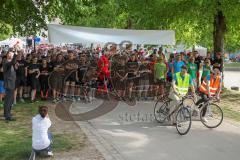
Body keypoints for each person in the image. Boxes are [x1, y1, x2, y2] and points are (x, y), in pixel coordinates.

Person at [3, 51, 17, 121]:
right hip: (9, 84)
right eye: (10, 54)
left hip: (12, 83)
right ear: (7, 55)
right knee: (8, 101)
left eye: (12, 54)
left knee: (10, 100)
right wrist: (15, 54)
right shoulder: (6, 62)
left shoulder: (10, 63)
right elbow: (12, 62)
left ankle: (7, 113)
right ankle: (7, 116)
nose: (11, 55)